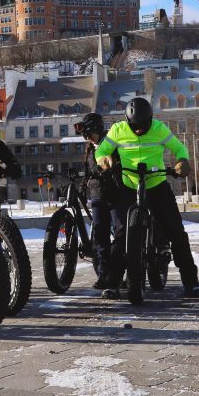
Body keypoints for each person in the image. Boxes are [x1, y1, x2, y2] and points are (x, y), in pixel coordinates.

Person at [95, 97, 199, 299]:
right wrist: (103, 159)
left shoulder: (159, 128)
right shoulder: (118, 130)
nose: (138, 130)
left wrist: (182, 161)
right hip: (129, 184)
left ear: (151, 119)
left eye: (143, 126)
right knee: (121, 234)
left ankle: (191, 283)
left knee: (177, 233)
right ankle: (112, 284)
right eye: (134, 126)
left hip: (156, 184)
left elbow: (179, 148)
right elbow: (101, 150)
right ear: (128, 122)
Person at [74, 113, 123, 298]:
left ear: (98, 130)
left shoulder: (111, 145)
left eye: (90, 134)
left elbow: (118, 167)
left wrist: (111, 171)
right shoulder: (89, 149)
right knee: (100, 236)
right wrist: (82, 187)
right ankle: (104, 276)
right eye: (85, 136)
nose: (88, 138)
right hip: (97, 196)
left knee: (120, 233)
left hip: (114, 195)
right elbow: (88, 173)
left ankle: (118, 273)